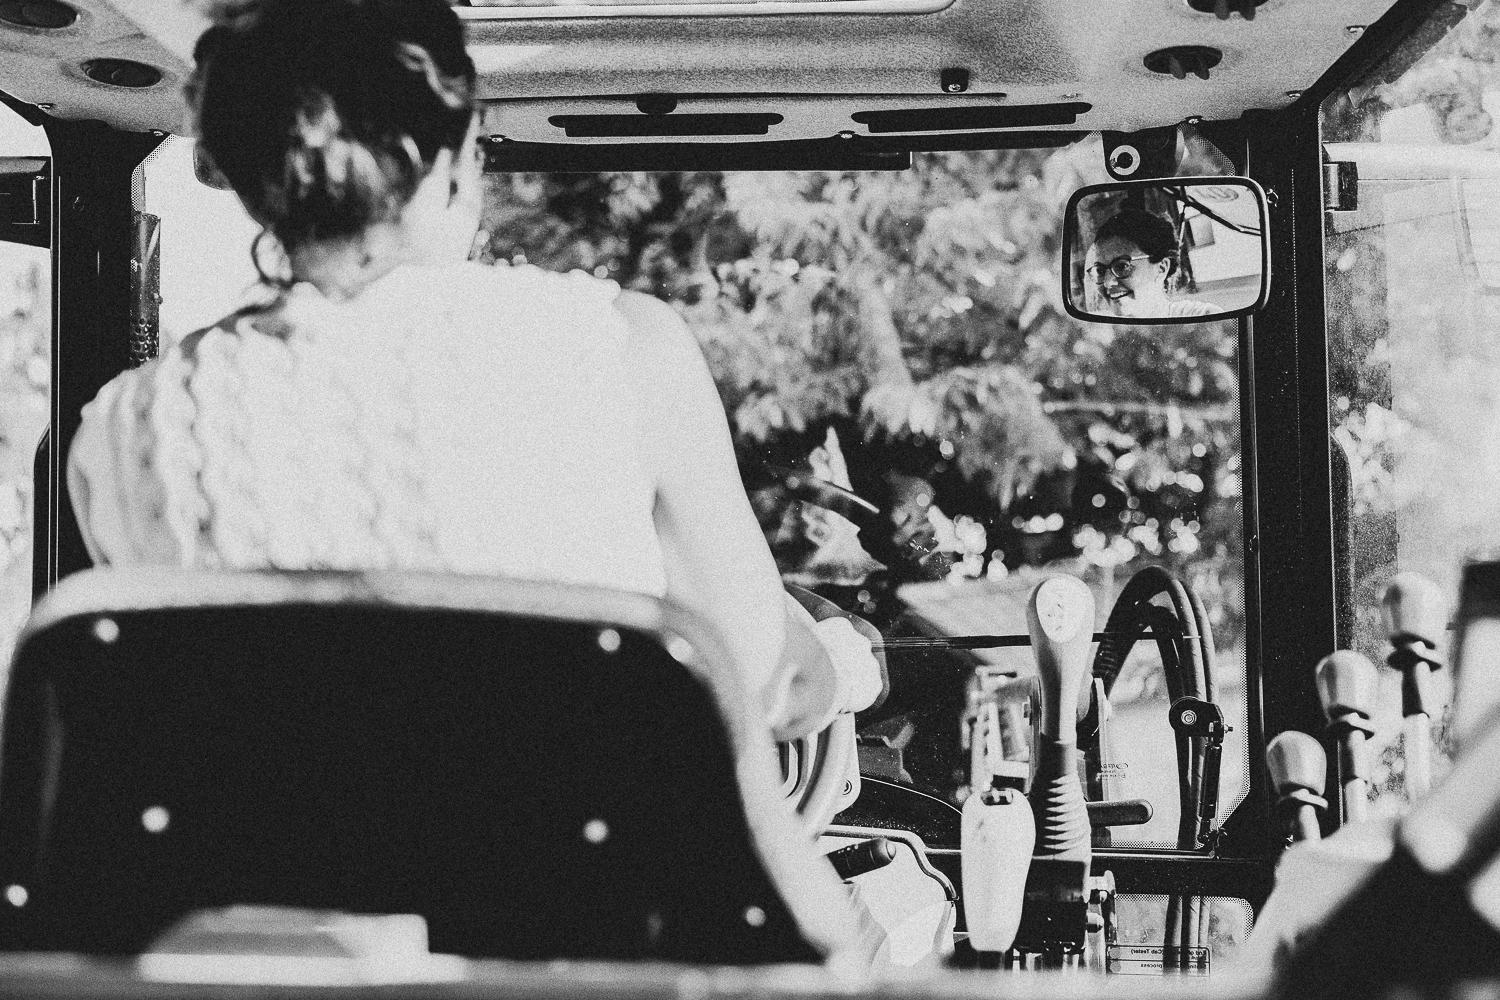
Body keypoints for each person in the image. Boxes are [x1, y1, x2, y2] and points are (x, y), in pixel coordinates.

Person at [65, 0, 880, 744]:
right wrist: (849, 663)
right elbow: (755, 688)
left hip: (275, 862)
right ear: (456, 158)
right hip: (568, 862)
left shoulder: (122, 430)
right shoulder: (621, 349)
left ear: (238, 174)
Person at [1083, 208, 1221, 319]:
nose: (1107, 283)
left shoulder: (1203, 316)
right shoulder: (1097, 328)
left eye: (1122, 266)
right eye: (1100, 271)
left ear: (1161, 268)